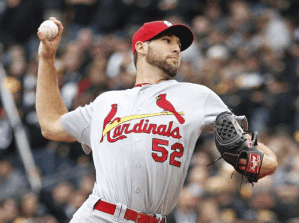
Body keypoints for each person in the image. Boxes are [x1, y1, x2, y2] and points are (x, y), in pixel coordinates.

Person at [36, 18, 278, 223]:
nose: (176, 49)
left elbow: (259, 162)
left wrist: (259, 157)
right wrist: (47, 58)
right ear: (141, 47)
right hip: (100, 216)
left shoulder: (198, 96)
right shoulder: (106, 102)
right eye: (167, 40)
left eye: (179, 45)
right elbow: (51, 125)